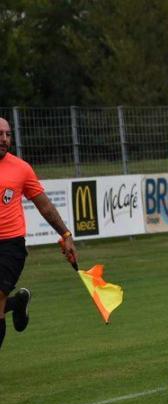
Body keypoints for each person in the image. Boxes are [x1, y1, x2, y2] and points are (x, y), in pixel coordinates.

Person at [0, 117, 78, 349]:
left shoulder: (21, 169)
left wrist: (66, 236)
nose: (4, 139)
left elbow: (45, 206)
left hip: (10, 247)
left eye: (8, 134)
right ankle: (16, 304)